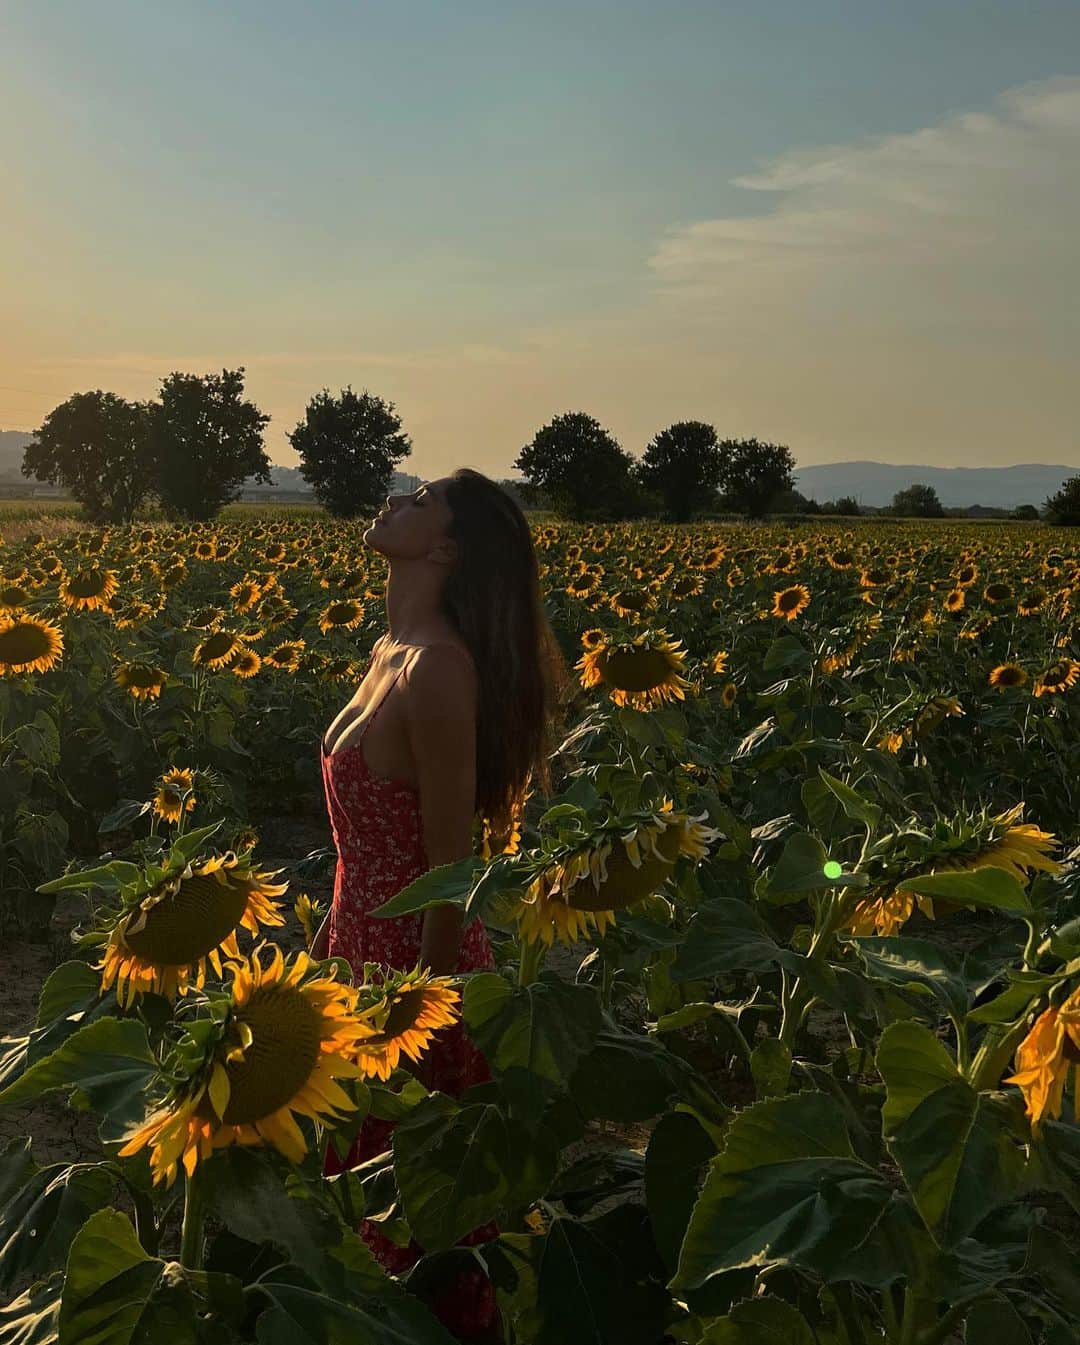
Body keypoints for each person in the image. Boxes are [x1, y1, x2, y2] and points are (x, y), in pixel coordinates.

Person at [311, 469, 569, 1341]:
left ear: (449, 548)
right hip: (357, 956)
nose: (392, 499)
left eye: (419, 501)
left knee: (421, 1241)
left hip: (416, 980)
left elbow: (453, 864)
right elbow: (369, 838)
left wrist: (421, 1012)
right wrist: (329, 934)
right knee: (355, 1223)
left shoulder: (438, 670)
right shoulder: (390, 652)